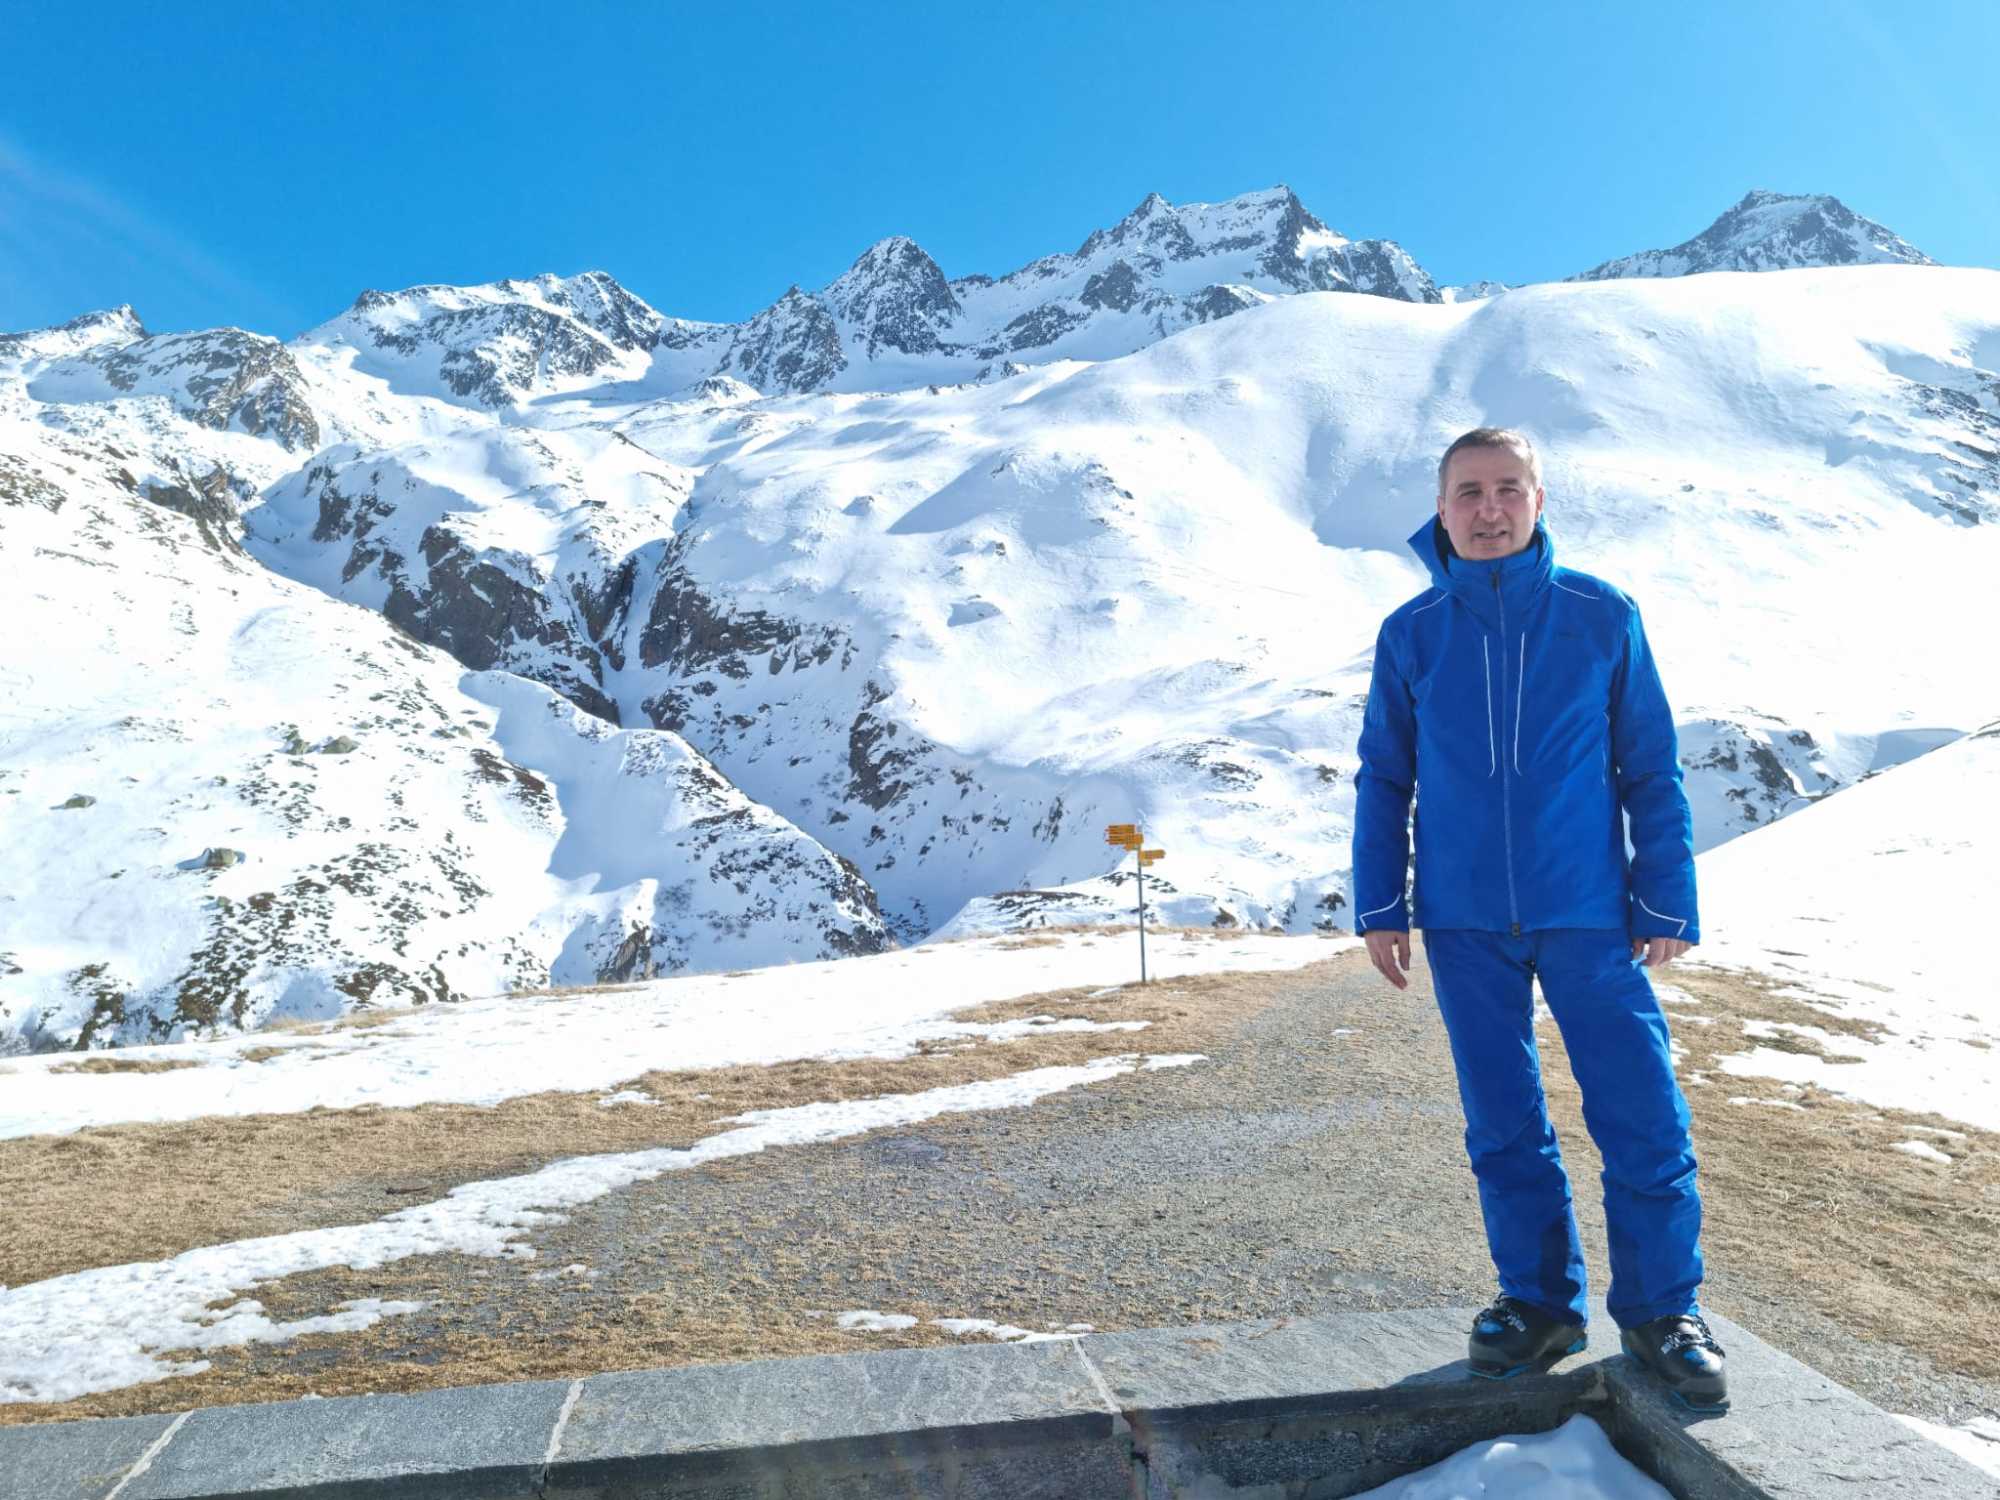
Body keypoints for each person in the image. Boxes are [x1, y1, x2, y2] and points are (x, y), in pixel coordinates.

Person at [1348, 427, 1727, 1412]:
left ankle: (1660, 1311)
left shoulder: (1600, 617)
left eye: (1505, 489)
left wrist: (1665, 896)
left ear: (1536, 500)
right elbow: (1384, 777)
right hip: (1462, 921)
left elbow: (1649, 766)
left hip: (1587, 913)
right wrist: (1381, 904)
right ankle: (1536, 1305)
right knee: (1502, 1124)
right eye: (1466, 492)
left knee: (1638, 1111)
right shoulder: (1412, 633)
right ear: (1440, 509)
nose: (1486, 508)